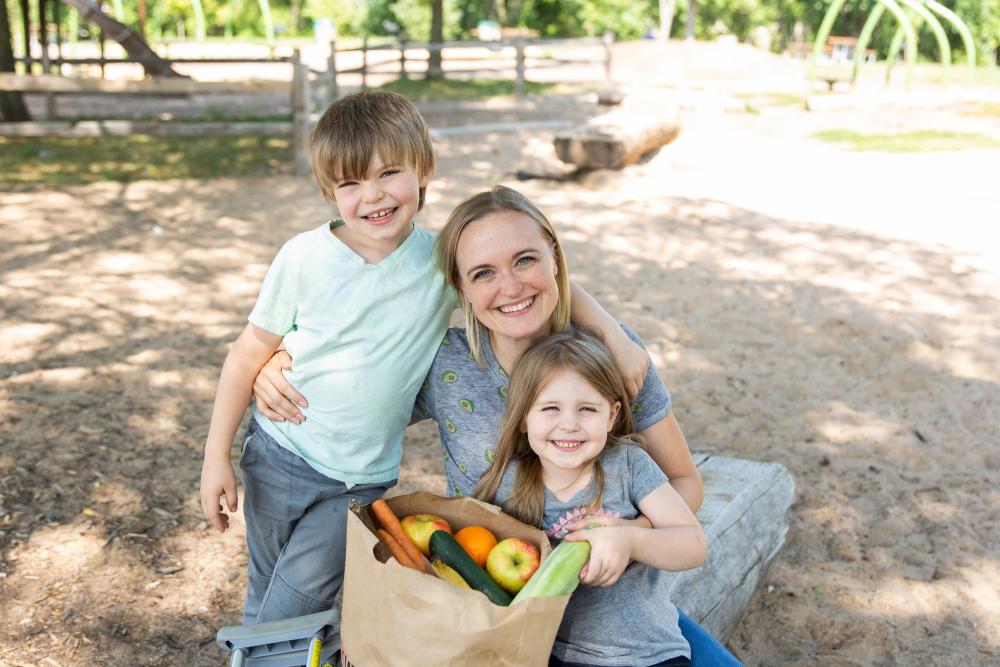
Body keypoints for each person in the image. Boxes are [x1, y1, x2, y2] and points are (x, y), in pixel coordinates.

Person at [203, 93, 649, 627]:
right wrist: (216, 456)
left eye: (389, 173)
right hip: (278, 453)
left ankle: (261, 654)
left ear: (425, 170)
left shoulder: (440, 261)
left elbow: (542, 281)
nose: (372, 196)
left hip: (359, 478)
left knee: (295, 601)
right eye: (350, 183)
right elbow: (247, 352)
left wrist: (613, 336)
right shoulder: (303, 258)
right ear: (330, 191)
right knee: (267, 586)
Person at [255, 186, 743, 665]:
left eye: (526, 260)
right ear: (459, 288)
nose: (510, 287)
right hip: (489, 625)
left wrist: (623, 537)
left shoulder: (611, 356)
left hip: (620, 629)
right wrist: (276, 360)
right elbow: (352, 391)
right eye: (483, 273)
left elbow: (684, 484)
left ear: (554, 255)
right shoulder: (443, 363)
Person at [475, 328, 707, 666]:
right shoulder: (508, 482)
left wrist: (630, 540)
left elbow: (693, 544)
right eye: (551, 408)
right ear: (524, 417)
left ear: (611, 415)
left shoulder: (627, 465)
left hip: (644, 654)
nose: (569, 424)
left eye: (586, 409)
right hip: (546, 653)